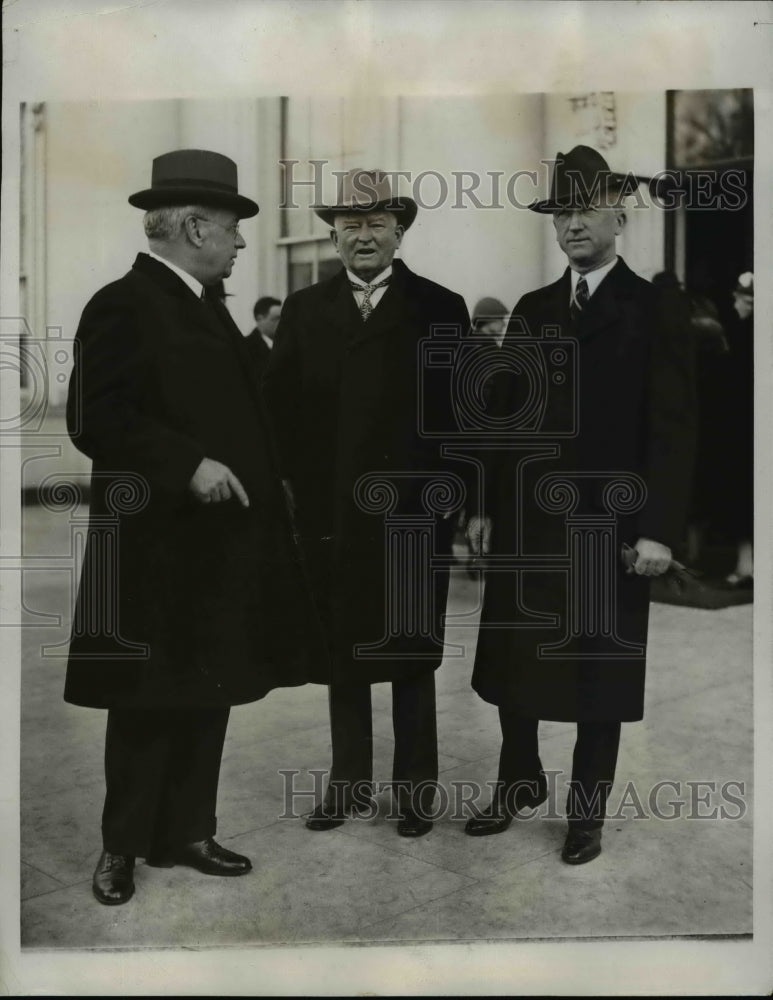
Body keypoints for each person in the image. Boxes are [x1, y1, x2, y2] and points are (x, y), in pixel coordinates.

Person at [65, 149, 326, 905]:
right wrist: (188, 465)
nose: (241, 241)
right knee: (144, 700)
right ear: (192, 227)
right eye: (232, 226)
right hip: (153, 549)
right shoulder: (123, 303)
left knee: (210, 685)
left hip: (214, 547)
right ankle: (120, 848)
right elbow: (94, 417)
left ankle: (188, 831)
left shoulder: (205, 305)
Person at [465, 146, 695, 864]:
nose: (572, 224)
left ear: (619, 218)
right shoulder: (533, 310)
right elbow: (503, 419)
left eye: (587, 210)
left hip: (611, 525)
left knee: (600, 669)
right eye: (561, 212)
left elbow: (673, 427)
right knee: (516, 663)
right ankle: (518, 780)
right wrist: (482, 507)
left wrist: (657, 531)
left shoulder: (654, 308)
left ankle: (586, 812)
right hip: (528, 524)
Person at [263, 168, 471, 838]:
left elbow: (462, 416)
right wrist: (290, 491)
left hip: (412, 516)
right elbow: (279, 412)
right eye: (350, 224)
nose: (363, 235)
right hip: (333, 517)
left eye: (377, 223)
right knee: (343, 655)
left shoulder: (440, 307)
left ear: (399, 231)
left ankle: (415, 792)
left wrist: (450, 495)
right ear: (332, 235)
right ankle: (347, 783)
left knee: (411, 656)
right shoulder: (304, 310)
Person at [245, 295, 282, 376]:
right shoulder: (246, 347)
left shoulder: (287, 344)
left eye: (283, 318)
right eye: (276, 319)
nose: (282, 323)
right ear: (260, 319)